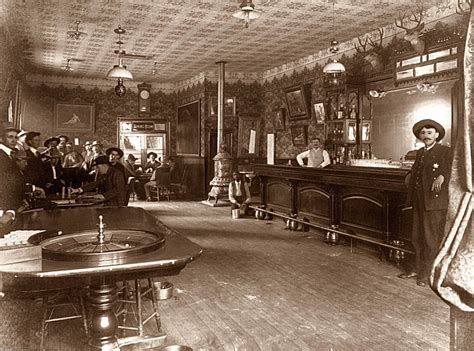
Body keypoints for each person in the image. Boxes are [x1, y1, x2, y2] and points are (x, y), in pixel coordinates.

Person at [398, 119, 452, 287]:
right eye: (423, 133)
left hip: (434, 204)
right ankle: (416, 268)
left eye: (429, 133)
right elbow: (417, 171)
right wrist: (409, 175)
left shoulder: (445, 151)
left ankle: (427, 273)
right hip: (419, 201)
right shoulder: (421, 152)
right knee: (416, 236)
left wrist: (443, 175)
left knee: (430, 239)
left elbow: (455, 169)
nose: (426, 136)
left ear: (437, 135)